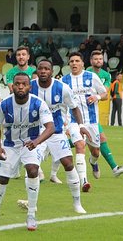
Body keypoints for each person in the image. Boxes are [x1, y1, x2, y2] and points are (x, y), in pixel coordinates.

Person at [0, 72, 55, 231]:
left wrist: (36, 142)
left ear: (30, 86)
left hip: (31, 143)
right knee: (3, 179)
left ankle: (31, 215)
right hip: (10, 145)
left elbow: (51, 127)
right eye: (17, 84)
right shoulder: (5, 104)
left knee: (33, 170)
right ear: (13, 86)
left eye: (24, 84)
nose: (20, 87)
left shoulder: (38, 103)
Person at [30, 59, 88, 213]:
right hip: (36, 134)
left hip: (56, 133)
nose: (43, 71)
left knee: (68, 164)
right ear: (37, 71)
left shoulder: (62, 88)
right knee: (32, 168)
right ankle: (32, 205)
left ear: (52, 72)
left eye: (46, 69)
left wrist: (81, 126)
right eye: (40, 69)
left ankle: (77, 203)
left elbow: (74, 108)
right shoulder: (29, 86)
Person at [61, 52, 107, 192]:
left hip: (91, 121)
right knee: (80, 145)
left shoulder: (91, 77)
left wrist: (97, 96)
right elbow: (62, 103)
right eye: (71, 61)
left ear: (82, 63)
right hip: (73, 121)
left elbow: (105, 94)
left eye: (77, 61)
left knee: (96, 152)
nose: (74, 63)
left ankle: (93, 163)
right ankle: (84, 181)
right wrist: (64, 123)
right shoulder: (64, 80)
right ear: (69, 64)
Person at [86, 51, 123, 175]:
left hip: (92, 112)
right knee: (83, 141)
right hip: (81, 112)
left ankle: (96, 163)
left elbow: (104, 94)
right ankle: (52, 146)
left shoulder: (106, 75)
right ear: (91, 61)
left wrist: (98, 95)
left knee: (95, 145)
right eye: (96, 59)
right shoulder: (86, 73)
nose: (98, 61)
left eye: (100, 59)